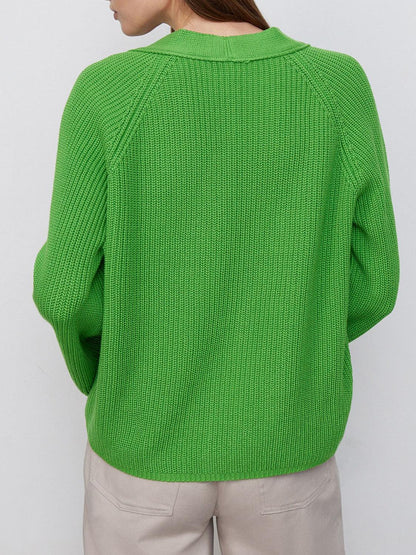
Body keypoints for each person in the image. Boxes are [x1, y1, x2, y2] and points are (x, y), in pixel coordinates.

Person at [32, 0, 400, 553]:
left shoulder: (108, 91)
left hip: (143, 448)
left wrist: (118, 373)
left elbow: (63, 291)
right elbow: (376, 280)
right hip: (286, 446)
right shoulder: (336, 85)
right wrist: (295, 352)